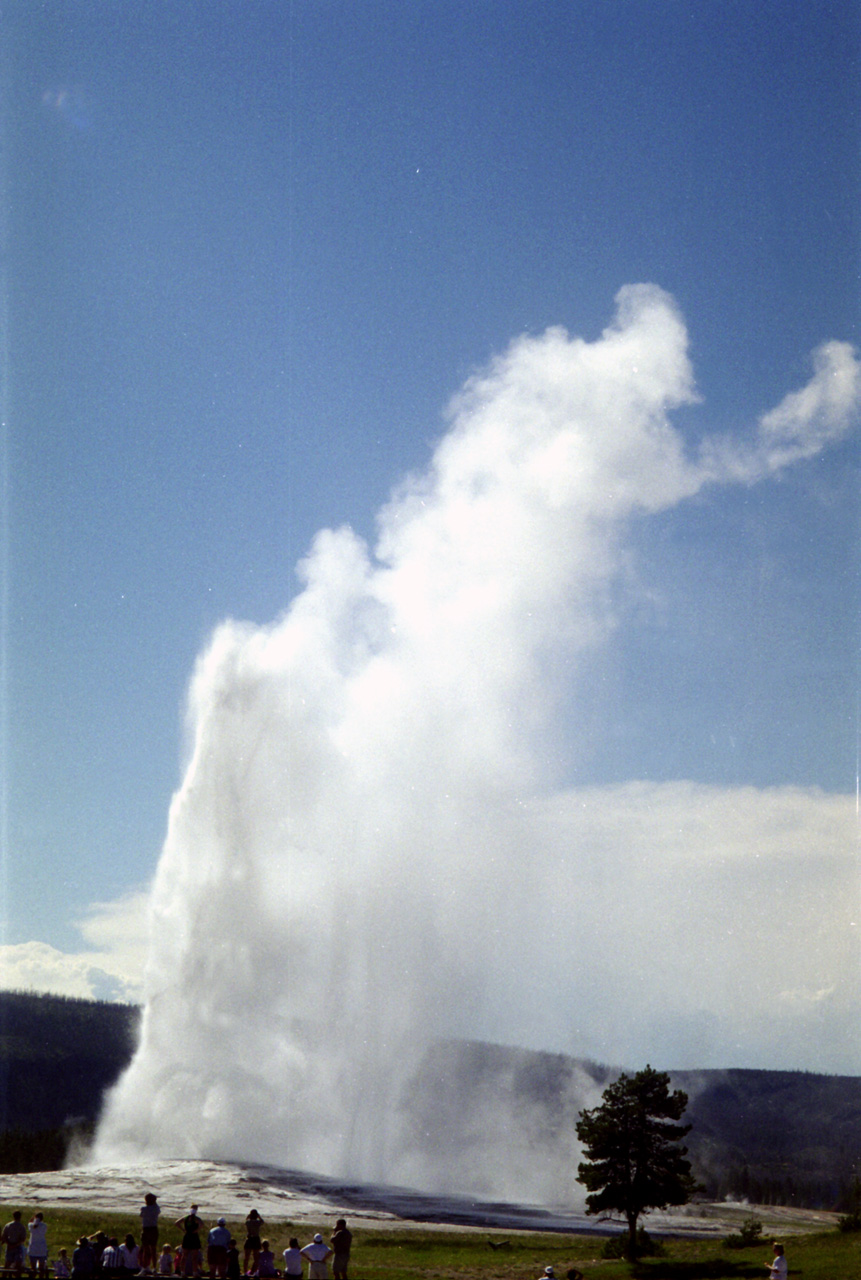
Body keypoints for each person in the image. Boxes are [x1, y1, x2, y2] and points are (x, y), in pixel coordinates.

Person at [175, 1208, 203, 1278]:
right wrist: (197, 1230)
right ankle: (194, 1272)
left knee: (184, 1255)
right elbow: (202, 1224)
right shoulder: (196, 1218)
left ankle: (182, 1272)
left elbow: (176, 1223)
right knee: (194, 1256)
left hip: (187, 1236)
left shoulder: (186, 1218)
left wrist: (183, 1229)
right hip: (194, 1236)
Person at [139, 1194, 161, 1274]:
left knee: (146, 1250)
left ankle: (145, 1267)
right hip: (153, 1229)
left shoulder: (144, 1208)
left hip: (146, 1229)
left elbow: (141, 1215)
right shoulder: (156, 1208)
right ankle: (154, 1267)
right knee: (153, 1249)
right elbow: (158, 1211)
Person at [2, 1211, 27, 1276]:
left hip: (9, 1246)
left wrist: (9, 1244)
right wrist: (16, 1244)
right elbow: (23, 1239)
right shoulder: (21, 1227)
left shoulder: (8, 1225)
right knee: (18, 1265)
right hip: (17, 1247)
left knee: (7, 1263)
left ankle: (4, 1275)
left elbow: (4, 1236)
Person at [243, 1211, 264, 1277]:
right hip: (256, 1239)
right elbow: (262, 1221)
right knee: (256, 1258)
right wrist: (259, 1216)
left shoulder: (248, 1222)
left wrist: (248, 1217)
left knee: (247, 1257)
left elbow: (245, 1221)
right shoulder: (258, 1222)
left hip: (249, 1238)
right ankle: (254, 1272)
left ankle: (245, 1272)